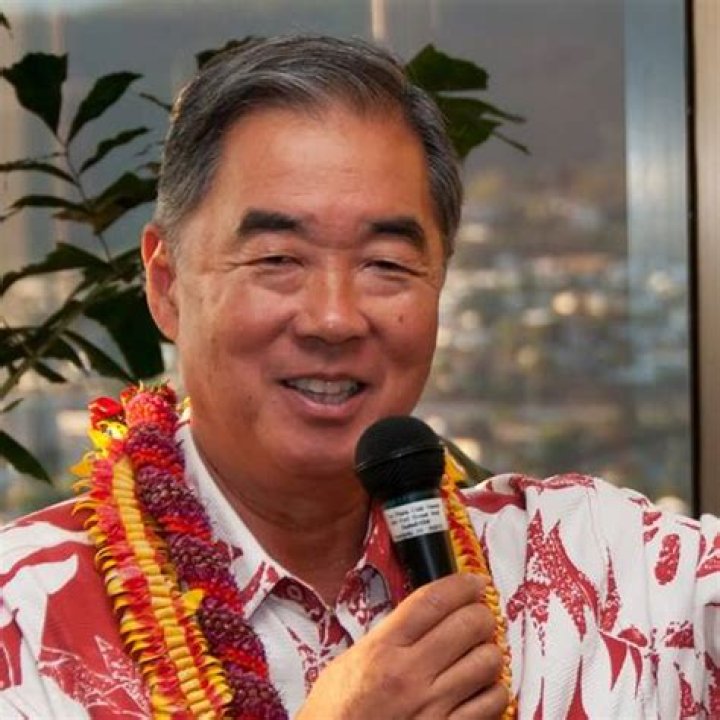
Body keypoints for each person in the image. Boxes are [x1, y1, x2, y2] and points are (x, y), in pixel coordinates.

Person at [0, 35, 717, 719]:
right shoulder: (25, 620)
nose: (334, 318)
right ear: (166, 285)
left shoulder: (595, 574)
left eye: (386, 264)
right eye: (277, 259)